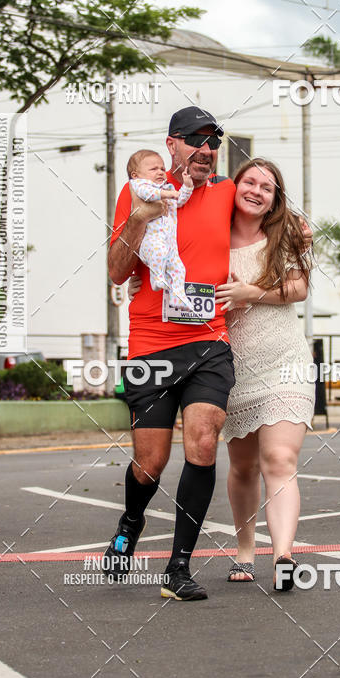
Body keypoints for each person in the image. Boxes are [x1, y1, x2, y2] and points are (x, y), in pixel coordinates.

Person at [105, 106, 236, 601]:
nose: (206, 150)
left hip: (209, 342)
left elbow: (273, 222)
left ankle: (178, 567)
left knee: (202, 443)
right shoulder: (141, 191)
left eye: (214, 142)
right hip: (152, 345)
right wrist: (139, 220)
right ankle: (130, 521)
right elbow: (118, 271)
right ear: (172, 145)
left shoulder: (226, 192)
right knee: (151, 463)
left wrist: (298, 245)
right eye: (196, 141)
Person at [215, 159, 313, 592]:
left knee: (279, 459)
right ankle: (244, 549)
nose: (257, 190)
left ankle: (283, 556)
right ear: (234, 187)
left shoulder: (283, 235)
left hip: (286, 361)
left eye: (267, 187)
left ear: (275, 199)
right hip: (233, 369)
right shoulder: (211, 235)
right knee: (242, 466)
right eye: (250, 182)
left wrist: (251, 293)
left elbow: (299, 289)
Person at [127, 148, 193, 309]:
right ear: (136, 174)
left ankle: (178, 297)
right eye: (153, 169)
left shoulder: (167, 188)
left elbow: (179, 200)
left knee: (179, 268)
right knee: (160, 252)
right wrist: (167, 194)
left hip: (169, 242)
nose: (160, 172)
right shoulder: (138, 184)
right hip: (151, 241)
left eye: (163, 169)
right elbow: (148, 194)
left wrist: (187, 187)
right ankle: (156, 278)